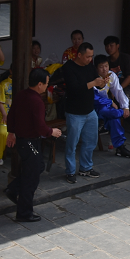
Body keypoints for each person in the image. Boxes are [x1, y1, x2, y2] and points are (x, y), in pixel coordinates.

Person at [5, 68, 62, 222]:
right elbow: (40, 127)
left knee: (37, 167)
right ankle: (24, 213)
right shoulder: (36, 101)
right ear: (39, 84)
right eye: (46, 84)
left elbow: (11, 116)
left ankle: (13, 188)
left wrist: (11, 132)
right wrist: (52, 132)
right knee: (31, 178)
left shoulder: (21, 95)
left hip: (24, 140)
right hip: (29, 140)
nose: (46, 87)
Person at [53, 42, 103, 183]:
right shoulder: (69, 67)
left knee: (90, 141)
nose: (89, 59)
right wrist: (93, 83)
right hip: (74, 112)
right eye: (87, 57)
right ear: (79, 55)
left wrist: (101, 82)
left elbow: (95, 82)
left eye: (91, 57)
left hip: (90, 110)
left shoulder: (90, 67)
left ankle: (85, 168)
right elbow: (74, 88)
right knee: (72, 143)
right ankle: (70, 171)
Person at [93, 55, 130, 159]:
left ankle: (120, 147)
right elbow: (95, 98)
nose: (104, 69)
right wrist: (110, 102)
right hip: (93, 106)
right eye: (101, 67)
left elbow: (118, 91)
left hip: (106, 106)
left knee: (113, 116)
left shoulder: (111, 75)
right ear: (96, 68)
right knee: (108, 111)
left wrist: (125, 107)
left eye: (106, 66)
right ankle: (124, 115)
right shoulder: (92, 78)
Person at [104, 35, 130, 105]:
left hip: (128, 85)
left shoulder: (126, 58)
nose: (109, 48)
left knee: (122, 100)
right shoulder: (106, 61)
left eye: (111, 45)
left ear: (117, 46)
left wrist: (117, 90)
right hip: (112, 86)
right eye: (107, 46)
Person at [0, 69, 13, 166]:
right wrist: (5, 115)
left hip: (18, 117)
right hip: (5, 115)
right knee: (2, 133)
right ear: (11, 71)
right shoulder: (3, 85)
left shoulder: (23, 83)